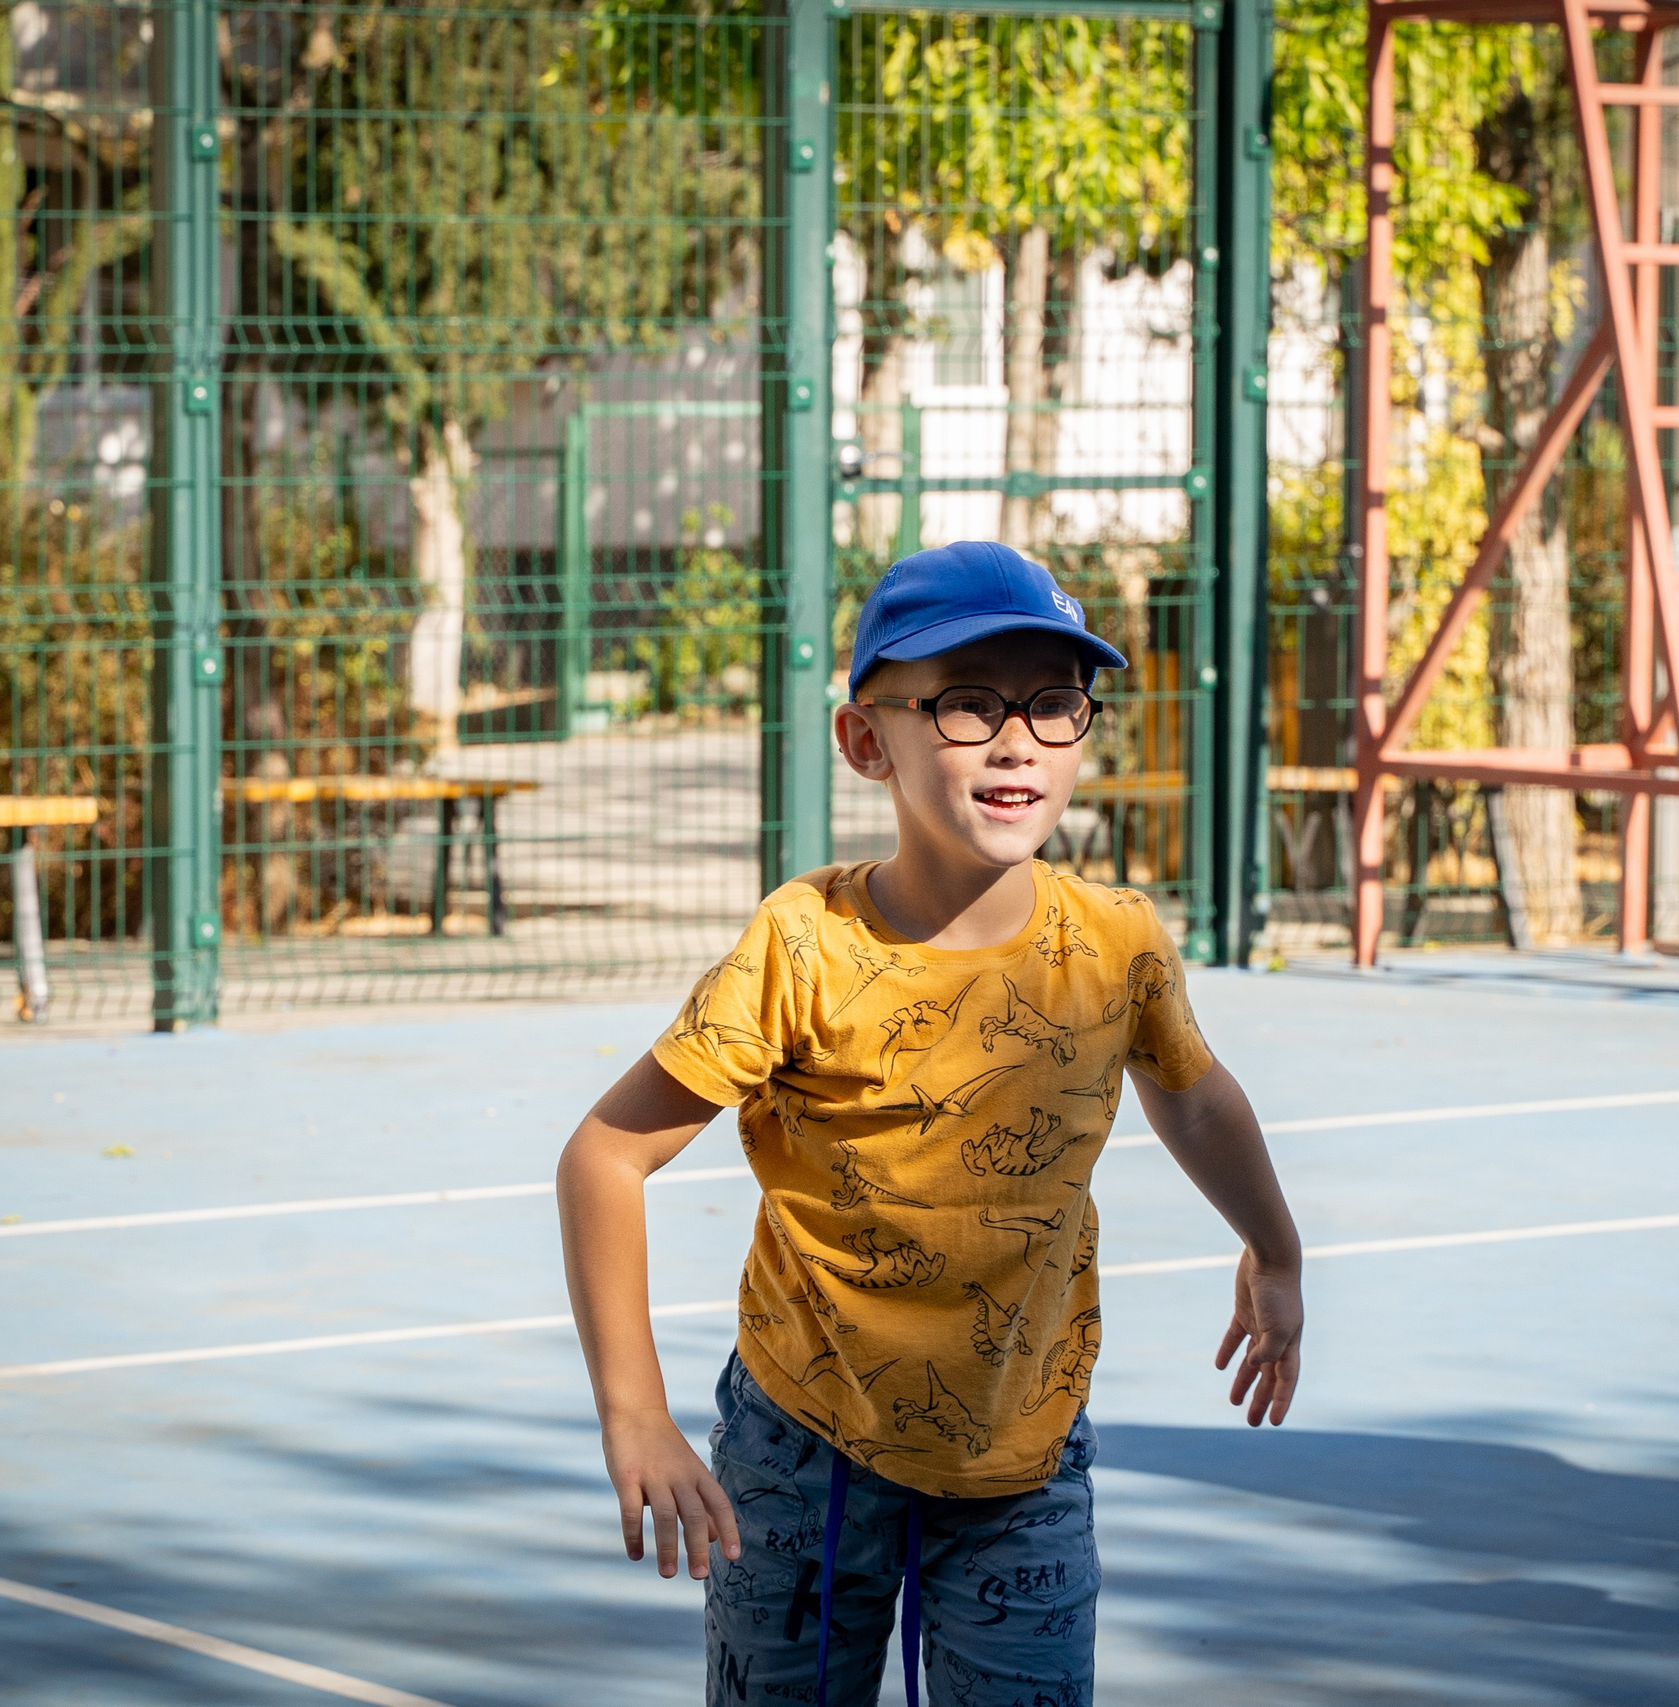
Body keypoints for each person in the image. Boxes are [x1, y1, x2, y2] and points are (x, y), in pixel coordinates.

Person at [558, 541, 1305, 1706]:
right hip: (802, 1456)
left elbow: (1192, 1093)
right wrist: (634, 1418)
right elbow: (606, 1154)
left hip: (1025, 1462)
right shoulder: (802, 944)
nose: (1017, 738)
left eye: (1054, 703)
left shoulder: (1117, 944)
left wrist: (1275, 1246)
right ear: (869, 741)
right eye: (966, 703)